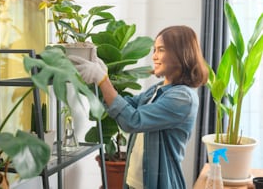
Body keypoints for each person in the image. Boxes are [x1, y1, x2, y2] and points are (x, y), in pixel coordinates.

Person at [68, 25, 208, 189]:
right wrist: (102, 78)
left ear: (180, 54)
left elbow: (133, 121)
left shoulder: (183, 98)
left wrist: (103, 80)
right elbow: (126, 105)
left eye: (161, 50)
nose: (154, 56)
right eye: (154, 50)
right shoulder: (157, 90)